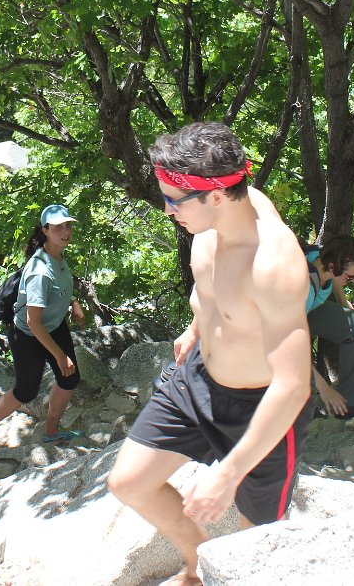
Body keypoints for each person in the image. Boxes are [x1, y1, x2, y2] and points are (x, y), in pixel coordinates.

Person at [107, 122, 312, 586]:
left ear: (217, 196)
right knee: (129, 482)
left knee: (257, 540)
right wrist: (197, 325)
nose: (167, 209)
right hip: (198, 377)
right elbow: (215, 289)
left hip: (261, 404)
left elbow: (293, 385)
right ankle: (198, 562)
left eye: (174, 200)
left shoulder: (273, 264)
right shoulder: (216, 214)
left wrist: (228, 475)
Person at [0, 203, 87, 458]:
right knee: (26, 391)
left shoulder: (57, 255)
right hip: (28, 335)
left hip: (53, 326)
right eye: (58, 227)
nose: (65, 231)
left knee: (69, 379)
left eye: (67, 225)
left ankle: (51, 431)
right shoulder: (39, 271)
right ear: (45, 230)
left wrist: (74, 303)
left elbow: (58, 288)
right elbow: (33, 322)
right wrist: (59, 355)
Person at [305, 237, 354, 422]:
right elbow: (290, 344)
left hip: (309, 311)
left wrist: (345, 305)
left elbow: (334, 280)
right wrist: (325, 389)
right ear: (332, 266)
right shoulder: (303, 285)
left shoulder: (322, 256)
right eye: (350, 277)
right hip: (277, 326)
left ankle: (353, 404)